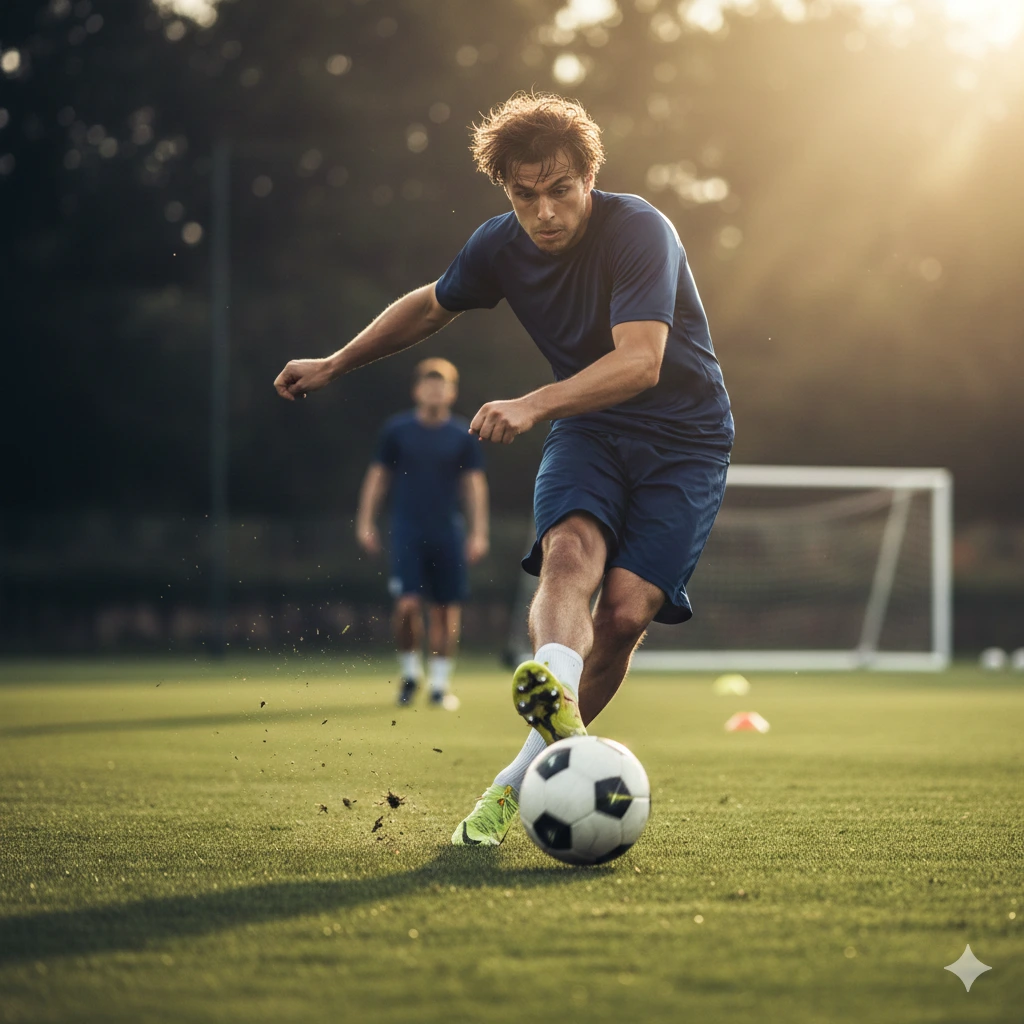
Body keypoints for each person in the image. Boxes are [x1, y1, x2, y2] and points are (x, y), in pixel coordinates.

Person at [274, 91, 734, 847]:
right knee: (567, 555)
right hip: (590, 427)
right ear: (506, 192)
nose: (544, 212)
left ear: (591, 176)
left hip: (685, 440)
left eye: (560, 190)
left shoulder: (641, 230)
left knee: (623, 613)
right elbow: (431, 305)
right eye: (525, 196)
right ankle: (548, 718)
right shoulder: (497, 245)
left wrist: (532, 402)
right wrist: (337, 361)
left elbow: (641, 362)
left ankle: (510, 782)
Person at [354, 358, 489, 708]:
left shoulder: (463, 435)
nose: (434, 390)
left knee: (445, 609)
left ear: (452, 392)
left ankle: (440, 686)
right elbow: (378, 476)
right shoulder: (396, 431)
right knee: (407, 604)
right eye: (428, 384)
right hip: (407, 531)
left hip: (447, 532)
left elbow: (474, 486)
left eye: (441, 384)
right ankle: (411, 673)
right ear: (416, 390)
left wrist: (478, 532)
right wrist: (366, 521)